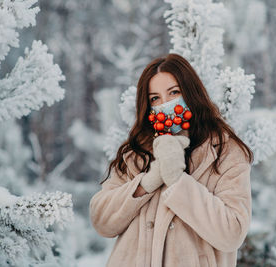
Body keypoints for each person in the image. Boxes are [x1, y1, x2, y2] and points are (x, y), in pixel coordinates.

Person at [89, 53, 254, 267]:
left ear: (191, 93)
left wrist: (177, 180)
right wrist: (148, 181)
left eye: (174, 92)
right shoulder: (136, 153)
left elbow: (232, 232)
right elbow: (102, 220)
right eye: (155, 98)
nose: (165, 104)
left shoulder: (224, 151)